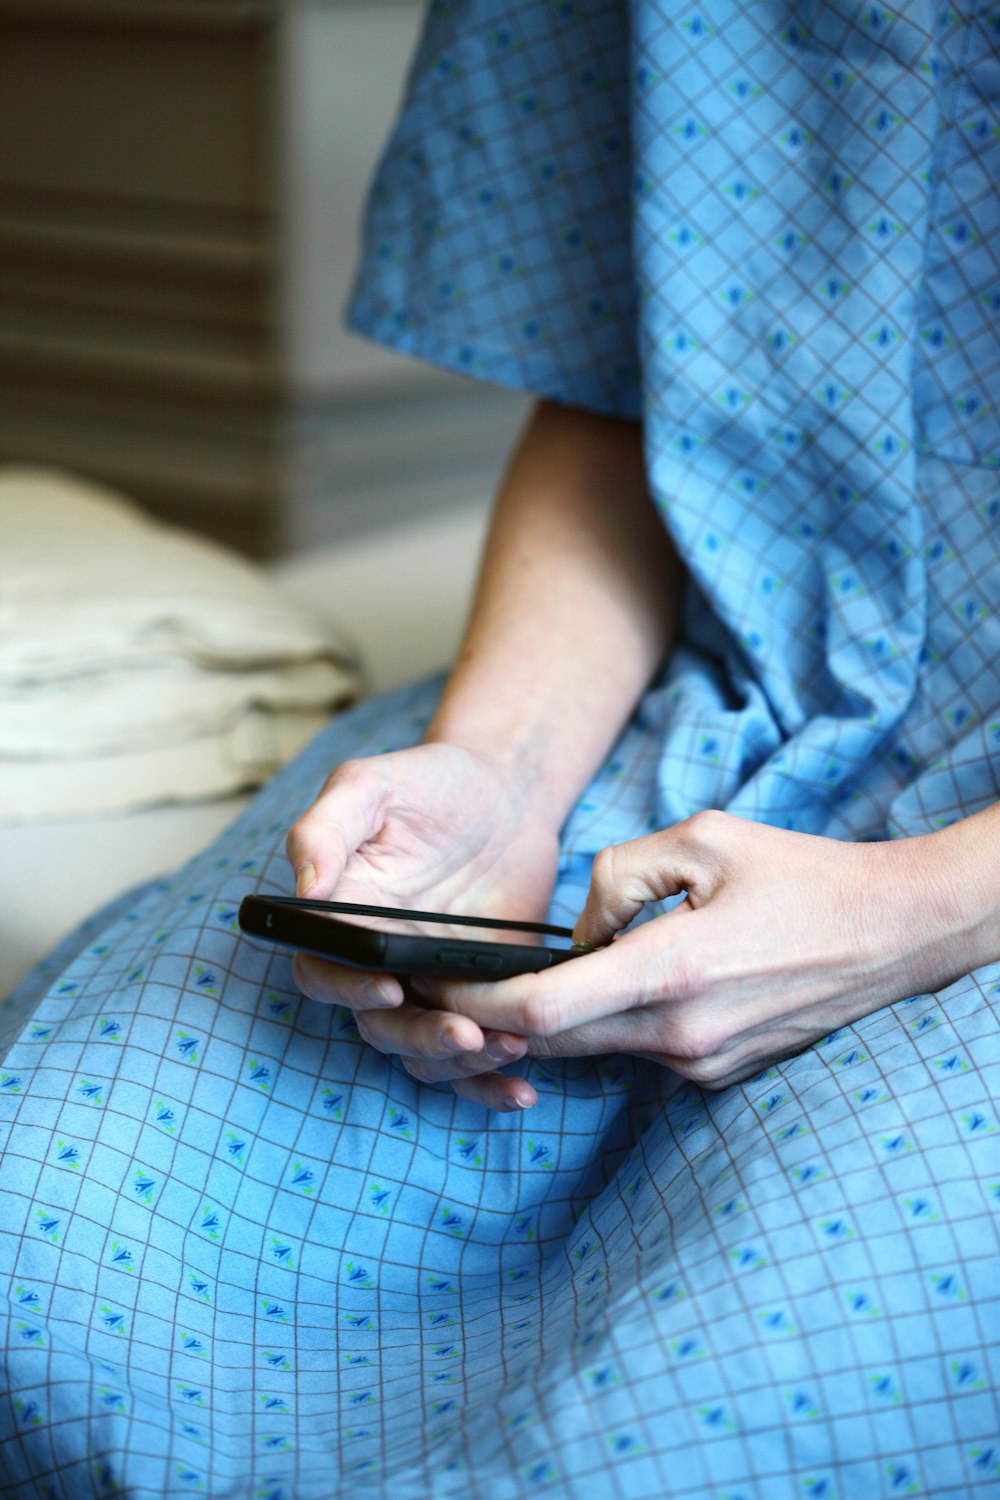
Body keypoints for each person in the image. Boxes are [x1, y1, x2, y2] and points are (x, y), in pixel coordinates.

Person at [2, 3, 998, 1497]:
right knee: (50, 1246)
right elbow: (625, 396)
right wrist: (506, 775)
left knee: (699, 1419)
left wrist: (925, 906)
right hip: (699, 675)